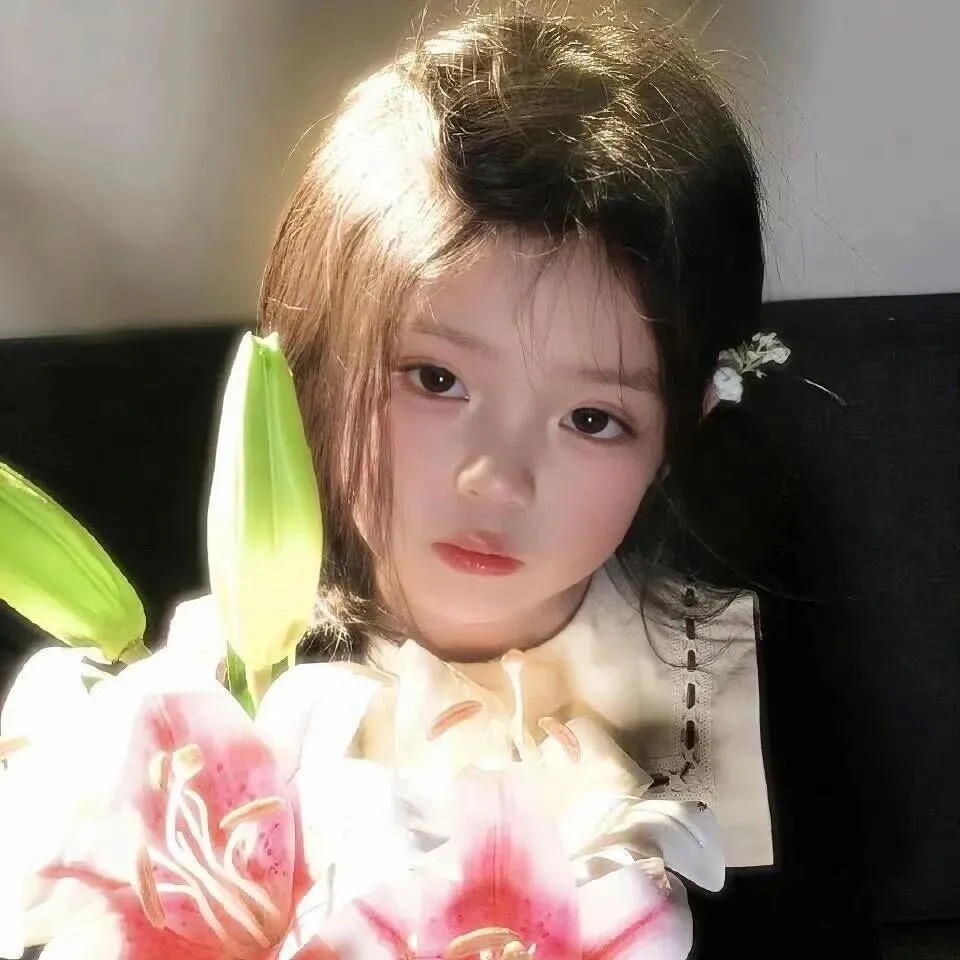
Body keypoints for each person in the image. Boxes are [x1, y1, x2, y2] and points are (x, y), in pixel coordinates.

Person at [252, 2, 784, 953]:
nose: (498, 481)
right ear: (317, 360)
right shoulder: (228, 675)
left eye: (593, 419)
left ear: (683, 428)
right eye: (435, 379)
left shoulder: (726, 691)